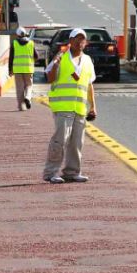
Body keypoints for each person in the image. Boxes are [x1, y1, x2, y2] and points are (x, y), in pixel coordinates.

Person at [43, 28, 97, 184]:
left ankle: (72, 172)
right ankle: (51, 172)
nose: (80, 42)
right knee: (60, 140)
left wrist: (93, 107)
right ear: (71, 41)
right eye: (77, 39)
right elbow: (50, 78)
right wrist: (55, 64)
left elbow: (89, 85)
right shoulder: (61, 57)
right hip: (63, 106)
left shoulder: (87, 60)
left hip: (79, 108)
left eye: (83, 39)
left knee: (76, 142)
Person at [9, 27, 38, 111]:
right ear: (25, 34)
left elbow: (11, 58)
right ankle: (28, 97)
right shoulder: (31, 43)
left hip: (17, 69)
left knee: (19, 88)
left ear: (17, 35)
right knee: (29, 85)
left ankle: (21, 107)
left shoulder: (14, 43)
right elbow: (36, 56)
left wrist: (10, 70)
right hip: (28, 69)